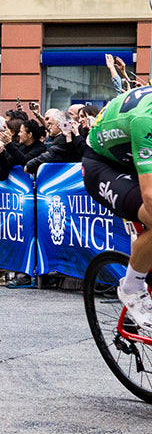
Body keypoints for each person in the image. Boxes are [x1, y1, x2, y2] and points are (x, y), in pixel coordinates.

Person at [81, 86, 152, 328]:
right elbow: (150, 197)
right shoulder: (146, 119)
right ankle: (132, 290)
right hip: (104, 165)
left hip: (133, 152)